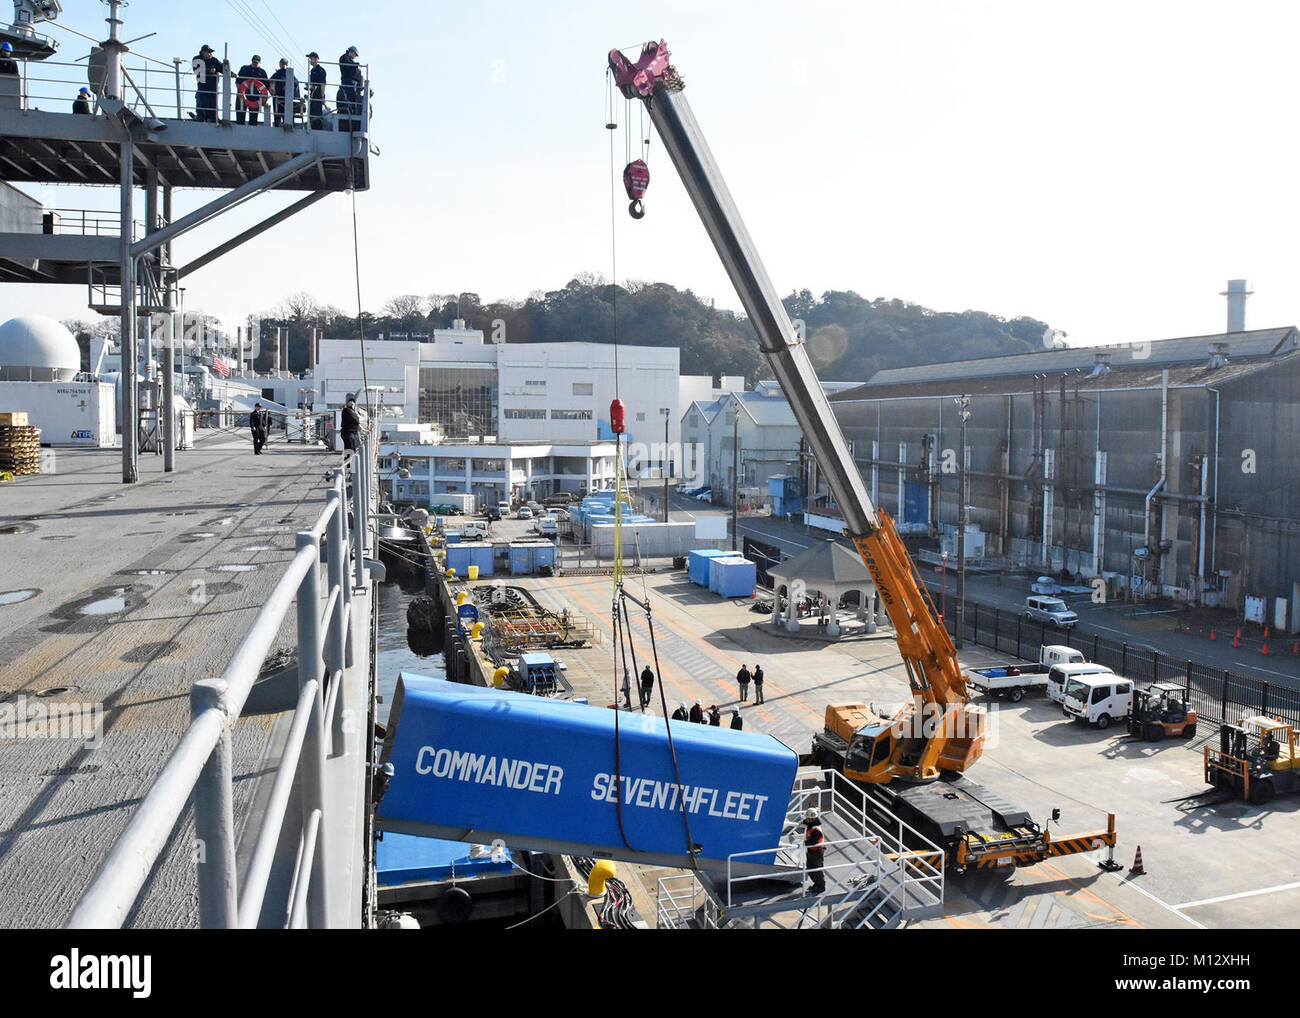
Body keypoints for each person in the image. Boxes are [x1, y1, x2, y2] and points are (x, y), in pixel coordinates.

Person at [191, 44, 223, 122]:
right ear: (203, 52)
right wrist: (209, 71)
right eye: (208, 52)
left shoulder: (214, 60)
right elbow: (197, 71)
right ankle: (201, 117)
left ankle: (213, 117)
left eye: (210, 52)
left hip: (213, 85)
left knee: (213, 103)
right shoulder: (197, 59)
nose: (209, 53)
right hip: (203, 85)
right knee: (202, 101)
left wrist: (231, 73)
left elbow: (221, 68)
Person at [235, 54, 270, 125]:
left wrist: (265, 98)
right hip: (243, 95)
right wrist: (241, 91)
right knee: (240, 116)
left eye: (256, 62)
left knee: (253, 118)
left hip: (255, 97)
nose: (255, 64)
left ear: (260, 63)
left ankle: (252, 127)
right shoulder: (244, 69)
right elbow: (238, 82)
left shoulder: (262, 72)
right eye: (254, 62)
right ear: (251, 61)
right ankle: (239, 126)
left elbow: (266, 87)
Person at [336, 45, 361, 131]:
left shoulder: (349, 59)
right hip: (347, 81)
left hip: (352, 82)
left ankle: (353, 110)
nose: (354, 57)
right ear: (351, 52)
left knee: (353, 98)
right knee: (350, 96)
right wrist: (356, 65)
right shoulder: (344, 58)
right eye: (355, 55)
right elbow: (349, 65)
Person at [269, 58, 300, 127]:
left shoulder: (289, 73)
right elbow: (270, 82)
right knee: (277, 115)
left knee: (286, 114)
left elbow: (295, 83)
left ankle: (284, 124)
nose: (281, 65)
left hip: (286, 98)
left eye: (282, 64)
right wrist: (272, 90)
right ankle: (278, 125)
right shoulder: (278, 73)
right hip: (278, 96)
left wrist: (288, 86)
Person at [802, 808, 825, 893]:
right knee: (810, 868)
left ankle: (821, 887)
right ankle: (816, 884)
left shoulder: (816, 830)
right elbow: (806, 822)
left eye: (809, 819)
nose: (808, 820)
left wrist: (804, 843)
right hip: (811, 851)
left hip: (817, 852)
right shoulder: (812, 824)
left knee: (817, 869)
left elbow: (812, 842)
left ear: (813, 819)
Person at [306, 51, 327, 130]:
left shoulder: (320, 70)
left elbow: (322, 84)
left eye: (311, 58)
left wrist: (322, 96)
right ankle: (313, 127)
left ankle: (318, 128)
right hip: (313, 94)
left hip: (318, 94)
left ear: (316, 59)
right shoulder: (312, 71)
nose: (310, 60)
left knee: (317, 112)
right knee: (312, 112)